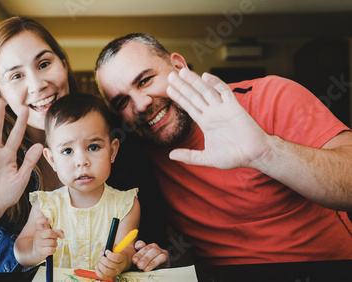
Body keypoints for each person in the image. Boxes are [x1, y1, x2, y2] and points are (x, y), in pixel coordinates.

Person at [0, 18, 168, 273]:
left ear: (63, 64)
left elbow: (148, 242)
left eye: (44, 64)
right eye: (17, 75)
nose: (38, 84)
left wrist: (149, 256)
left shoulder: (118, 138)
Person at [95, 33, 352, 265]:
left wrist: (267, 153)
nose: (140, 105)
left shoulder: (270, 96)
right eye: (122, 101)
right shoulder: (137, 153)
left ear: (179, 66)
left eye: (145, 80)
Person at [15, 94, 139, 279]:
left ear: (112, 151)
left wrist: (120, 260)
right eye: (67, 151)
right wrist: (34, 250)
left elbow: (127, 250)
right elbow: (20, 248)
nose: (81, 161)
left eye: (93, 147)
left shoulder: (126, 204)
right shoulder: (46, 205)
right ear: (52, 160)